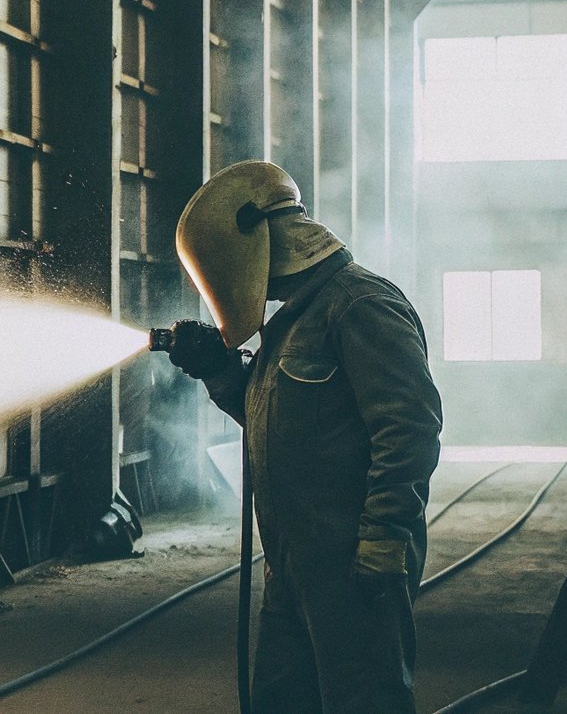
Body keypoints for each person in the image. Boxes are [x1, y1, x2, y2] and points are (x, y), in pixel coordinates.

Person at [163, 161, 442, 714]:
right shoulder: (291, 323)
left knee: (364, 701)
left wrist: (384, 536)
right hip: (292, 564)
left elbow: (408, 427)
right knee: (281, 700)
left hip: (353, 562)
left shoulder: (360, 306)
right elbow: (282, 422)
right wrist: (220, 373)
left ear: (258, 243)